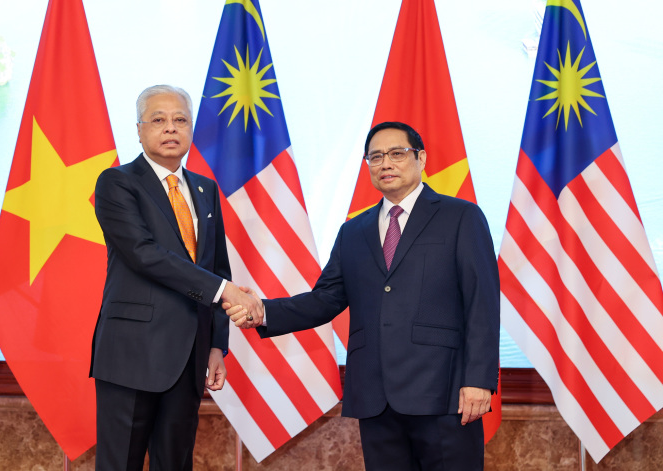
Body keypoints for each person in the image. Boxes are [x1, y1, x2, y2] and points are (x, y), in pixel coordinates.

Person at [225, 122, 500, 470]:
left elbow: (482, 303)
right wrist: (262, 311)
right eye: (376, 157)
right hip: (376, 397)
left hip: (443, 394)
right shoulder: (354, 231)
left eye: (397, 154)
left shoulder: (461, 217)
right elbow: (325, 299)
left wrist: (478, 381)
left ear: (422, 158)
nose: (386, 163)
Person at [89, 85, 262, 471]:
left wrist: (217, 344)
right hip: (130, 353)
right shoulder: (117, 183)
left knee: (176, 463)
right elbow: (144, 254)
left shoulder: (206, 189)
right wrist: (225, 292)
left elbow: (216, 268)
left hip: (189, 355)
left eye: (180, 119)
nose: (170, 128)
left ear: (191, 129)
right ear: (139, 130)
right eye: (158, 119)